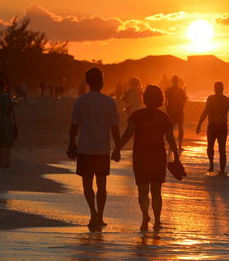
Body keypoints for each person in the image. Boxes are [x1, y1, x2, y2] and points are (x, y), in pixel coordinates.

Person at [112, 85, 180, 231]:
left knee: (143, 191)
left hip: (141, 157)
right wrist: (177, 157)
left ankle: (144, 218)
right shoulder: (163, 117)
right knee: (156, 191)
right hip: (157, 158)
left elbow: (127, 134)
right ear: (160, 99)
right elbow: (171, 139)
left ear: (145, 98)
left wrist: (117, 148)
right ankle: (157, 221)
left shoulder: (136, 115)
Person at [68, 68, 120, 228]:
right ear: (102, 82)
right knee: (102, 185)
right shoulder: (109, 102)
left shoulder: (81, 101)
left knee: (87, 185)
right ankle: (100, 217)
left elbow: (74, 126)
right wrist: (117, 148)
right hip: (102, 149)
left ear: (88, 82)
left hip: (85, 149)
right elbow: (115, 128)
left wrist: (71, 143)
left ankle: (93, 213)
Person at [196, 82, 229, 176]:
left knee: (212, 147)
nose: (218, 90)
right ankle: (220, 169)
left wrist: (199, 124)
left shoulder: (212, 99)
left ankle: (213, 165)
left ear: (216, 89)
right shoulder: (226, 100)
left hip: (214, 126)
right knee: (220, 149)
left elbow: (205, 112)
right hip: (220, 127)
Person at [165, 75, 187, 151]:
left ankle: (173, 145)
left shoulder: (169, 90)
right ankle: (179, 146)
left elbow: (166, 103)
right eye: (175, 80)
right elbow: (184, 101)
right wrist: (181, 107)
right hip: (177, 111)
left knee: (172, 129)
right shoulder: (181, 90)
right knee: (179, 128)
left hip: (174, 111)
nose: (175, 82)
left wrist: (168, 110)